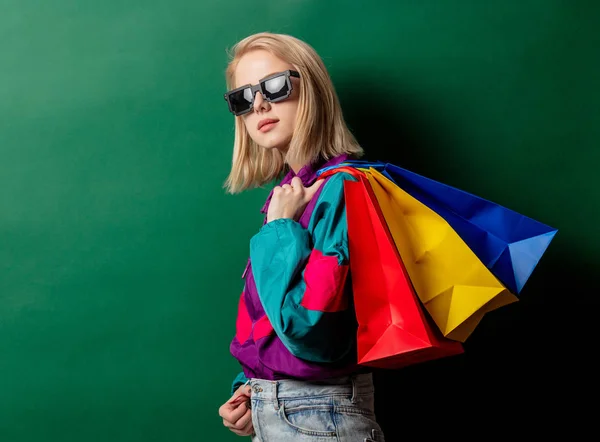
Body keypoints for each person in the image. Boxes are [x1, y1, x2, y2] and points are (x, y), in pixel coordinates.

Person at [218, 32, 385, 442]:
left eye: (274, 86)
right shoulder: (291, 196)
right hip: (283, 413)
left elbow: (313, 332)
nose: (258, 104)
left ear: (310, 89)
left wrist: (280, 230)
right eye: (242, 97)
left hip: (320, 418)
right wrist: (250, 387)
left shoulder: (343, 190)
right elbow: (269, 322)